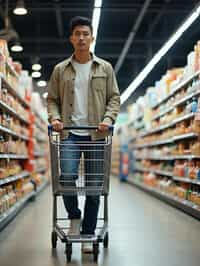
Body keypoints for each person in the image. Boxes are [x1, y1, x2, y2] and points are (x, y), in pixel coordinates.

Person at [47, 16, 120, 253]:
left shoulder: (105, 68)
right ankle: (74, 217)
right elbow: (53, 100)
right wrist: (55, 118)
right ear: (71, 38)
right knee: (66, 179)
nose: (81, 38)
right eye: (77, 34)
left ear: (92, 37)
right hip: (69, 135)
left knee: (94, 187)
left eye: (85, 34)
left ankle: (88, 234)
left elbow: (114, 98)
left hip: (96, 137)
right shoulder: (60, 69)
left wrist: (108, 120)